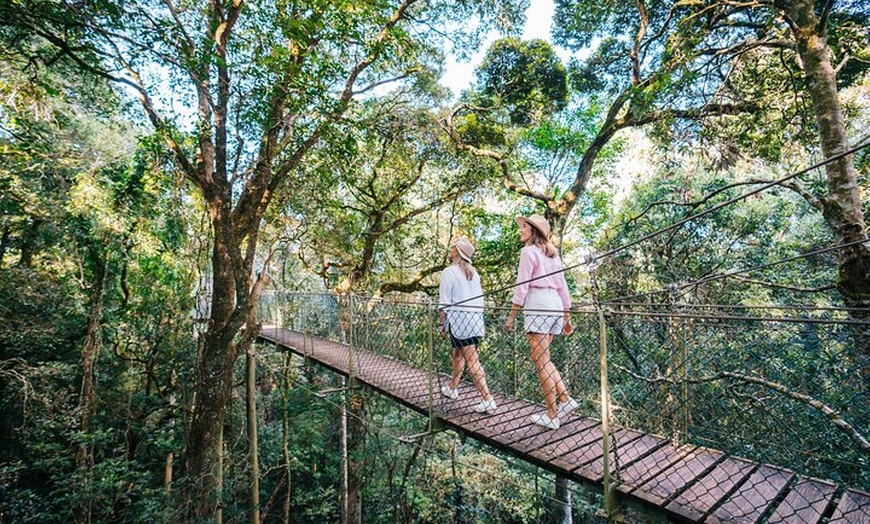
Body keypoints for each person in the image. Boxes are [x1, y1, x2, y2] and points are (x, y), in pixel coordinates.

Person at [504, 214, 578, 430]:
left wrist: (511, 317)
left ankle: (552, 414)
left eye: (524, 227)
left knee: (541, 362)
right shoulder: (553, 255)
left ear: (533, 231)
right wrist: (566, 316)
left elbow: (522, 286)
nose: (521, 230)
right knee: (545, 359)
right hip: (554, 304)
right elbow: (563, 286)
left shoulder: (528, 252)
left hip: (538, 304)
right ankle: (565, 399)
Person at [438, 238, 497, 414]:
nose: (451, 249)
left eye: (453, 247)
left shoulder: (449, 272)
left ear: (458, 252)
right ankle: (452, 388)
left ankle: (488, 399)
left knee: (472, 360)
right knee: (457, 354)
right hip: (474, 320)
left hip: (459, 321)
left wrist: (442, 323)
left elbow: (444, 301)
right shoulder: (474, 273)